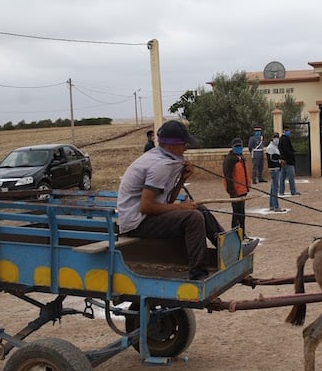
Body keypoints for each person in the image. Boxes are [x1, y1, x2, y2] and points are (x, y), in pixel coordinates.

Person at [118, 120, 255, 281]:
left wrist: (182, 179)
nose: (186, 148)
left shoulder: (164, 158)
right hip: (135, 223)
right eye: (184, 144)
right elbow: (146, 206)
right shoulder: (161, 165)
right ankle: (198, 274)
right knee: (193, 217)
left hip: (143, 217)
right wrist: (181, 207)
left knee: (199, 209)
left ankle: (229, 250)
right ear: (171, 145)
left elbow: (166, 200)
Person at [223, 138, 251, 236]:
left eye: (240, 146)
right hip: (235, 192)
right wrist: (232, 192)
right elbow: (228, 177)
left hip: (242, 190)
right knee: (237, 214)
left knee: (240, 214)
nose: (239, 148)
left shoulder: (241, 158)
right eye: (237, 146)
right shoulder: (230, 159)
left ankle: (241, 233)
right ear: (233, 147)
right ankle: (237, 233)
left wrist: (247, 187)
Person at [278, 125, 300, 195]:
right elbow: (286, 150)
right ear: (285, 130)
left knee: (282, 178)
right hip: (288, 161)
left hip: (283, 160)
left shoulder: (281, 139)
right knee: (291, 177)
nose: (289, 132)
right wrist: (292, 154)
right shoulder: (285, 139)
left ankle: (281, 191)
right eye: (288, 131)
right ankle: (293, 191)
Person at [265, 131, 284, 212]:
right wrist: (280, 161)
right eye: (275, 137)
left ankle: (272, 205)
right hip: (274, 169)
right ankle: (276, 206)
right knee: (275, 188)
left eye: (277, 137)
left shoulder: (274, 146)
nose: (277, 139)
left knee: (273, 188)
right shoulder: (271, 147)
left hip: (275, 169)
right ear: (272, 138)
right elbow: (271, 159)